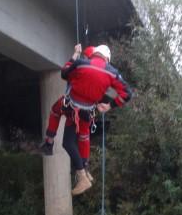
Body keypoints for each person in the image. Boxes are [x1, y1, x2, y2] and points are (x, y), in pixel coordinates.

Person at [39, 43, 132, 195]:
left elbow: (64, 73)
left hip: (70, 106)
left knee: (55, 112)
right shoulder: (113, 73)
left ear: (94, 54)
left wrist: (75, 54)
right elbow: (127, 94)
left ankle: (50, 143)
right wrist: (109, 106)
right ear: (107, 58)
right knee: (83, 136)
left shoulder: (82, 63)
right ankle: (85, 168)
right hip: (87, 112)